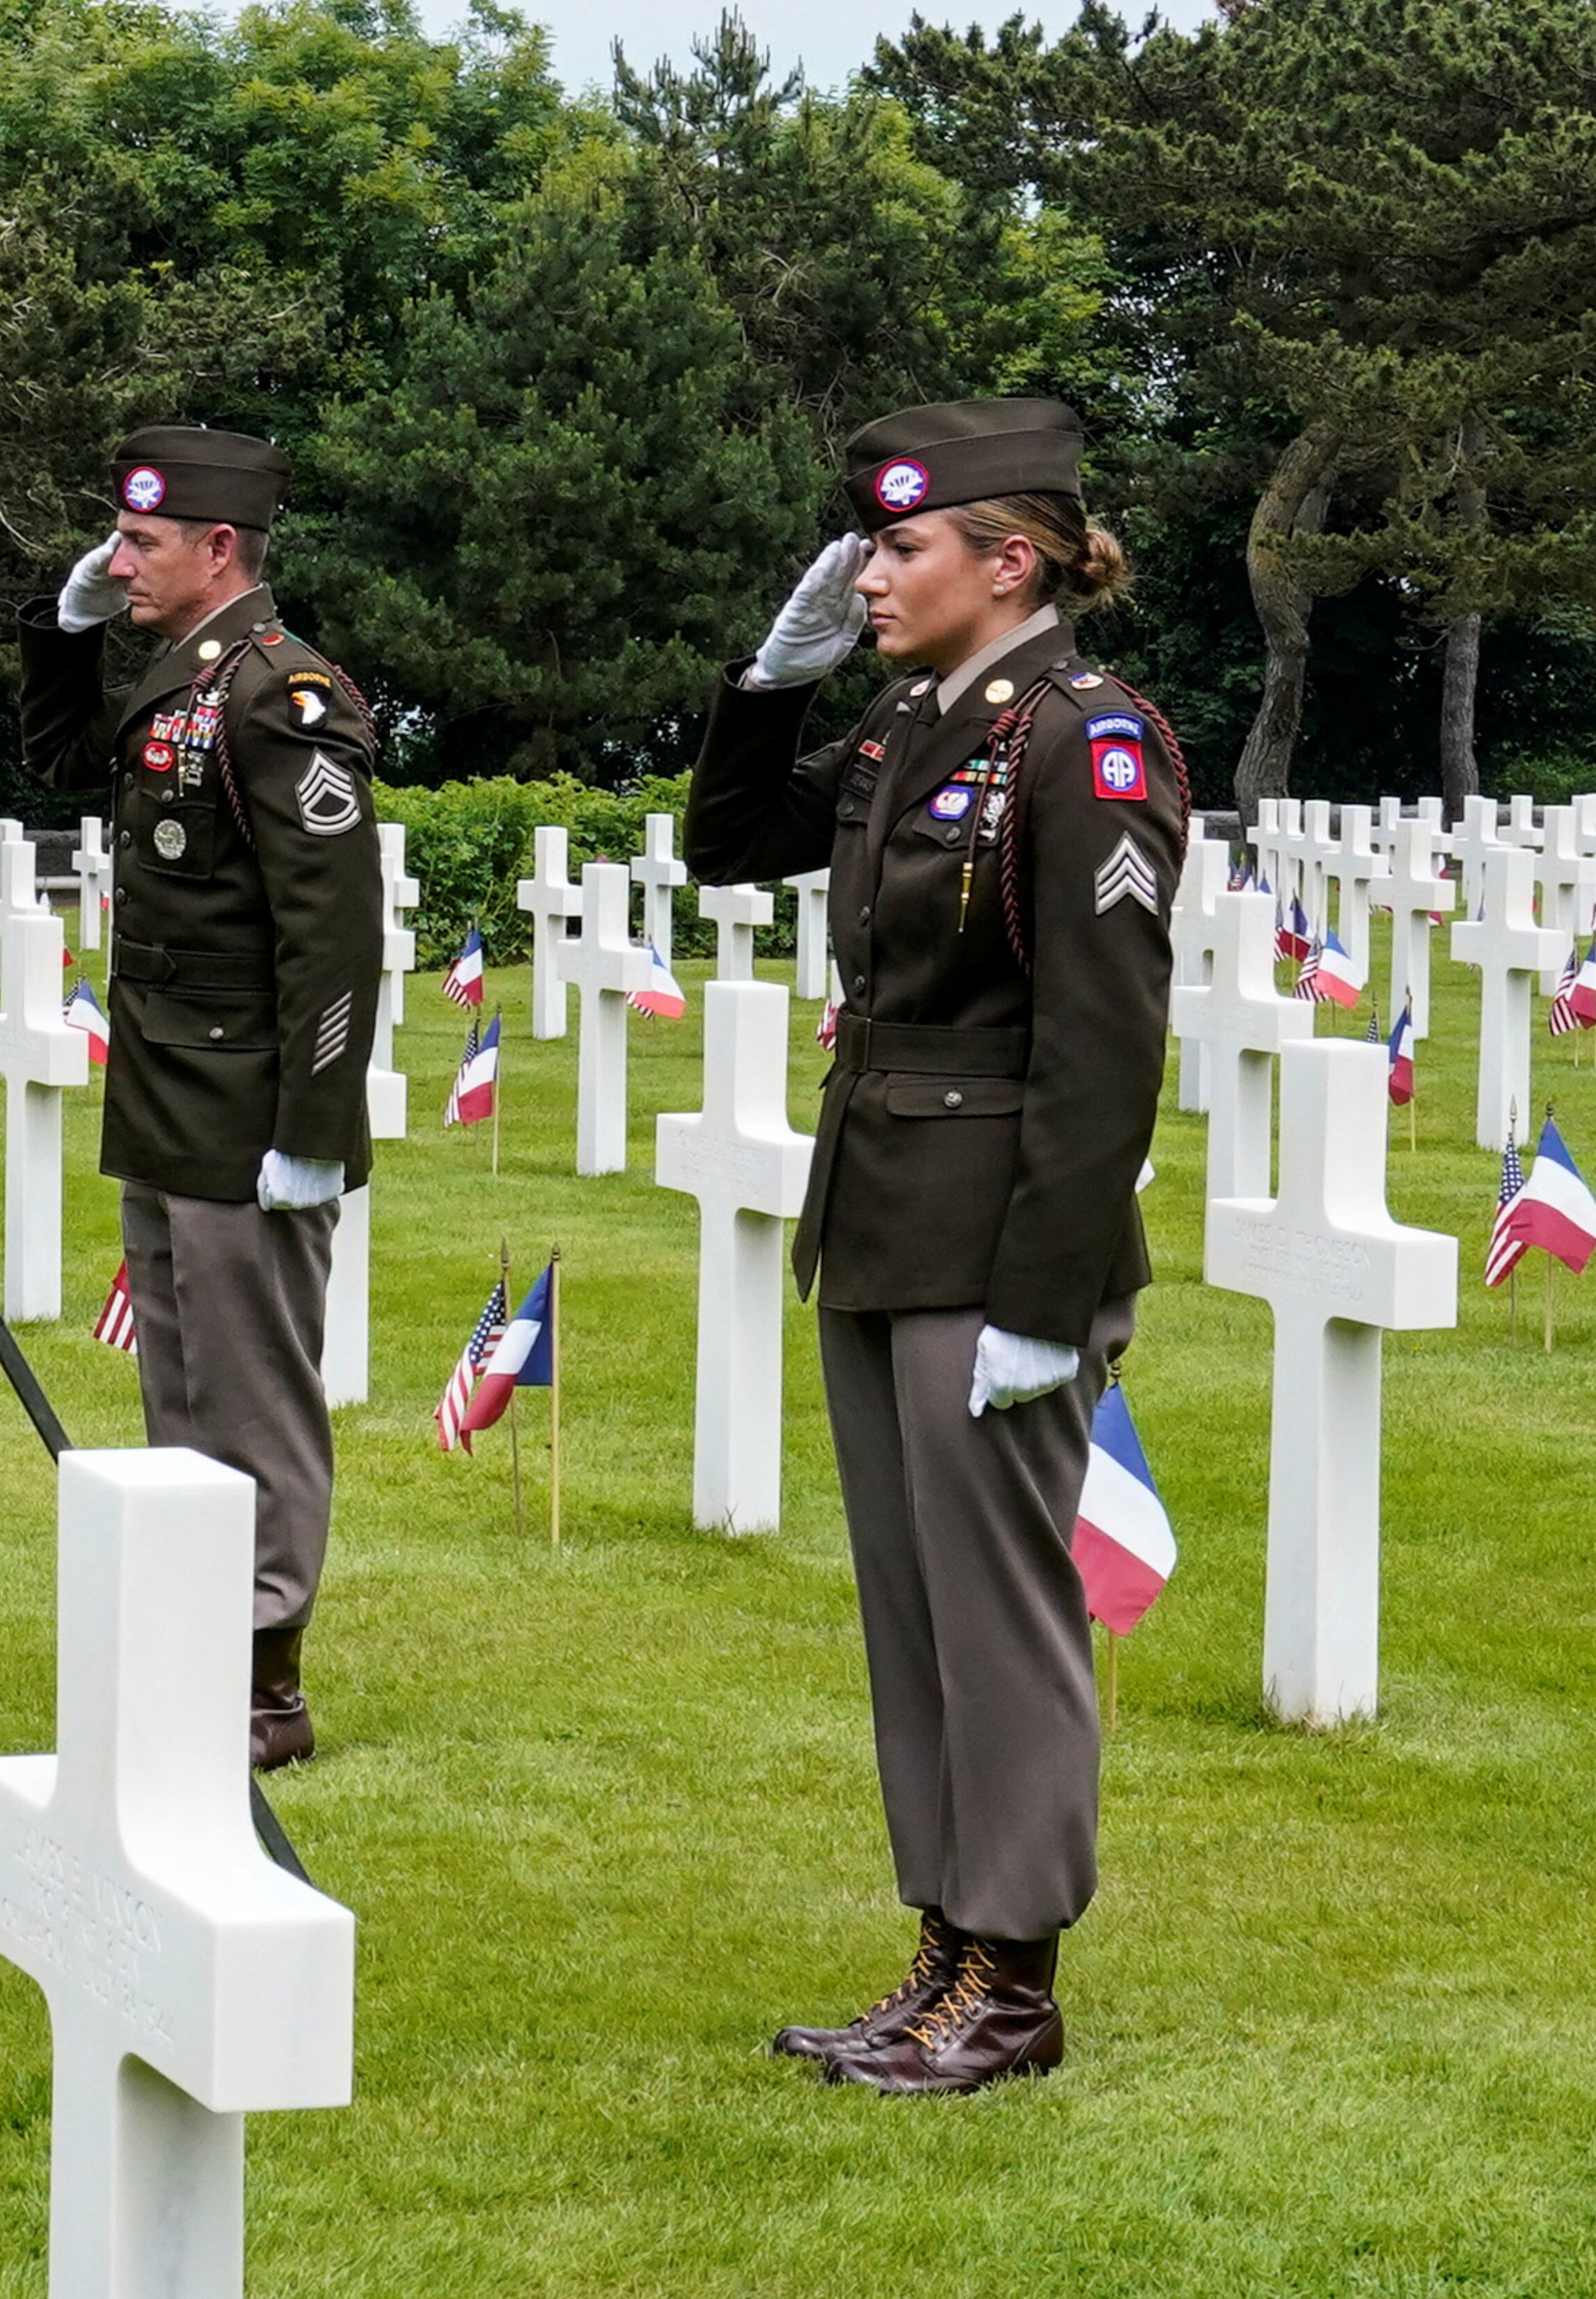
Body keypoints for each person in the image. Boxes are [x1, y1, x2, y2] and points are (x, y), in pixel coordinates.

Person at [684, 398, 1185, 2095]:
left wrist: (1047, 1302)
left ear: (1010, 557)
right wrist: (775, 681)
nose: (868, 572)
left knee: (998, 1613)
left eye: (900, 548)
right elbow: (729, 845)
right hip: (884, 1218)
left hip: (992, 1246)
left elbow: (1103, 1044)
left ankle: (1018, 1981)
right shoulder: (918, 720)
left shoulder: (1082, 741)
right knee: (916, 1617)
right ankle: (947, 1952)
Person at [17, 425, 384, 1771]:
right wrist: (60, 634)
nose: (118, 561)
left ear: (218, 548)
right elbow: (62, 760)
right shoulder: (180, 679)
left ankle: (265, 1678)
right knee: (175, 1377)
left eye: (140, 544)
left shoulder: (284, 697)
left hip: (247, 1096)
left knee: (252, 1390)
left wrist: (314, 1129)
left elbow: (333, 932)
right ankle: (194, 1639)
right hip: (167, 1075)